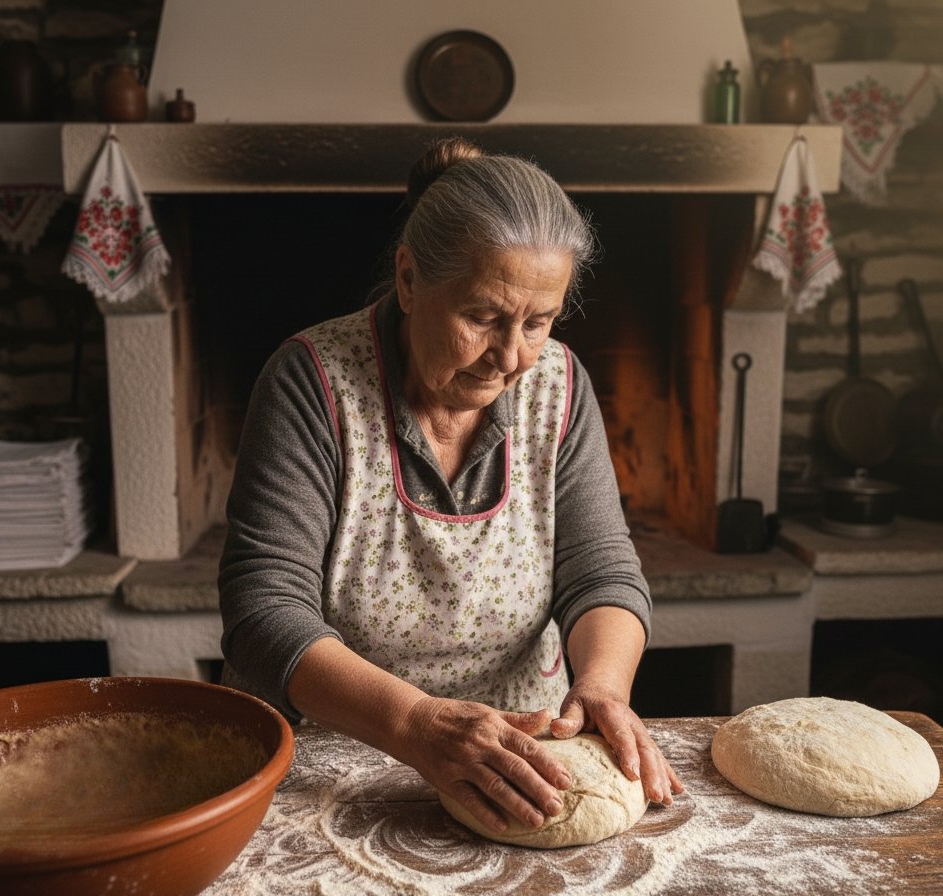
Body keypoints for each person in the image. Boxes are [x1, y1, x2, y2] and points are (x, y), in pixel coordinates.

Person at [219, 137, 683, 836]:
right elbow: (262, 609)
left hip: (526, 763)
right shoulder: (311, 383)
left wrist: (603, 687)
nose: (510, 358)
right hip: (336, 765)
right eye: (482, 318)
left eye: (538, 322)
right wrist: (414, 723)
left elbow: (601, 571)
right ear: (408, 280)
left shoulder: (558, 383)